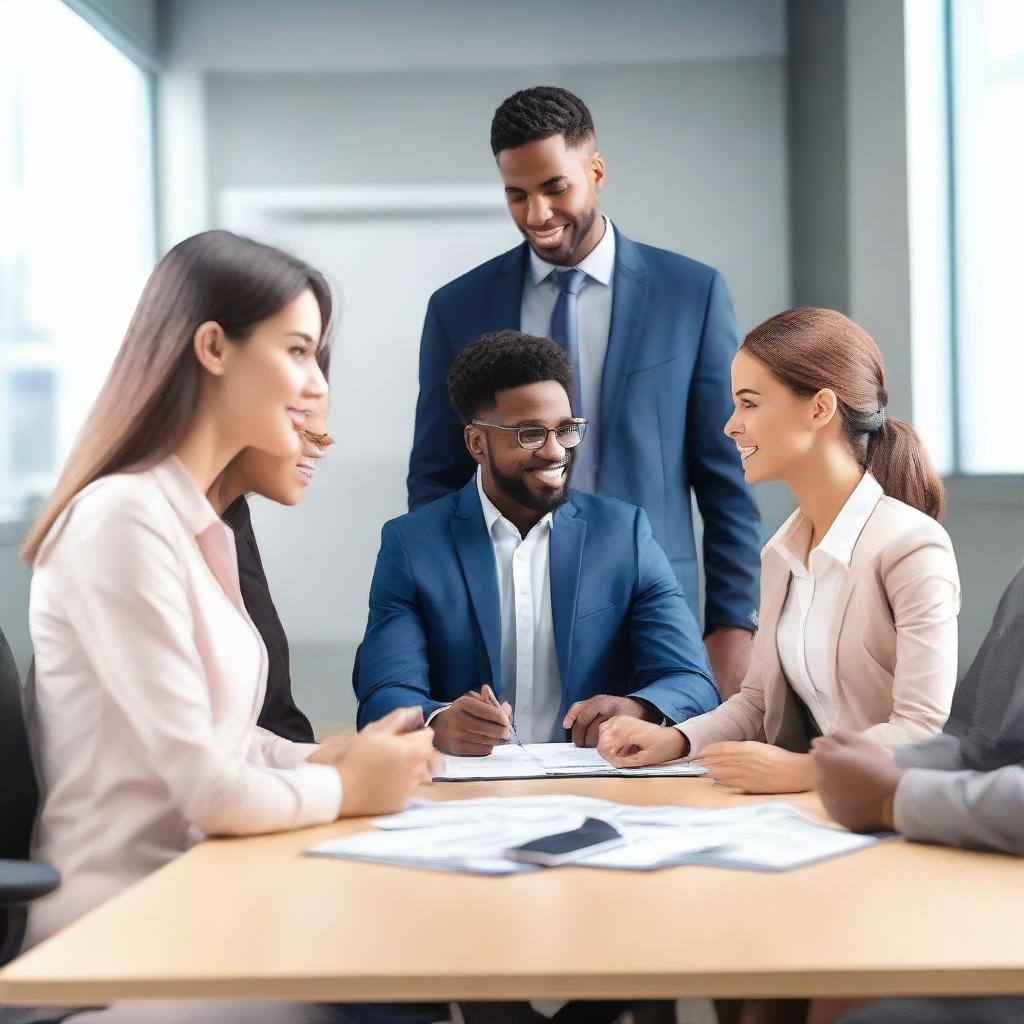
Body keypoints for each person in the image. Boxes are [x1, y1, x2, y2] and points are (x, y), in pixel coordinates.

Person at [21, 230, 435, 1024]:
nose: (317, 386)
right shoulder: (122, 519)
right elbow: (210, 791)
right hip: (122, 934)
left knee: (404, 975)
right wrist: (345, 785)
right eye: (298, 351)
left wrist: (339, 757)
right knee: (388, 990)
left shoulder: (195, 527)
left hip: (196, 898)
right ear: (213, 347)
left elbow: (228, 741)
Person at [407, 85, 760, 698]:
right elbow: (436, 476)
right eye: (516, 195)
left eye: (555, 188)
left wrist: (733, 623)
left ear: (595, 171)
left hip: (648, 602)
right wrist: (438, 610)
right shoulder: (456, 308)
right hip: (499, 603)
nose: (536, 214)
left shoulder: (690, 294)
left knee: (649, 783)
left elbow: (725, 475)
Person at [598, 308, 961, 794]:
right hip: (807, 814)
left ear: (820, 408)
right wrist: (678, 739)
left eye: (749, 403)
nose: (731, 426)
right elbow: (758, 701)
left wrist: (807, 770)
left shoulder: (911, 547)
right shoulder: (782, 553)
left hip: (885, 810)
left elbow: (922, 729)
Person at [358, 330, 718, 754]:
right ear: (477, 442)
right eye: (530, 434)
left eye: (565, 430)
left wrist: (637, 708)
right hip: (469, 793)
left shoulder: (625, 535)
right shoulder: (412, 544)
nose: (554, 451)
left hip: (595, 786)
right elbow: (383, 693)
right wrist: (437, 722)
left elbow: (692, 681)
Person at [811, 563, 1024, 1024]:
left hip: (1002, 905)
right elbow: (973, 739)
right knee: (807, 962)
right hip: (990, 876)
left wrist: (896, 796)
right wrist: (879, 767)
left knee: (853, 991)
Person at [211, 377, 335, 743]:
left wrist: (329, 763)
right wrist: (335, 775)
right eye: (301, 419)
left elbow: (270, 720)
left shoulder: (230, 519)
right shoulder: (142, 526)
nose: (322, 444)